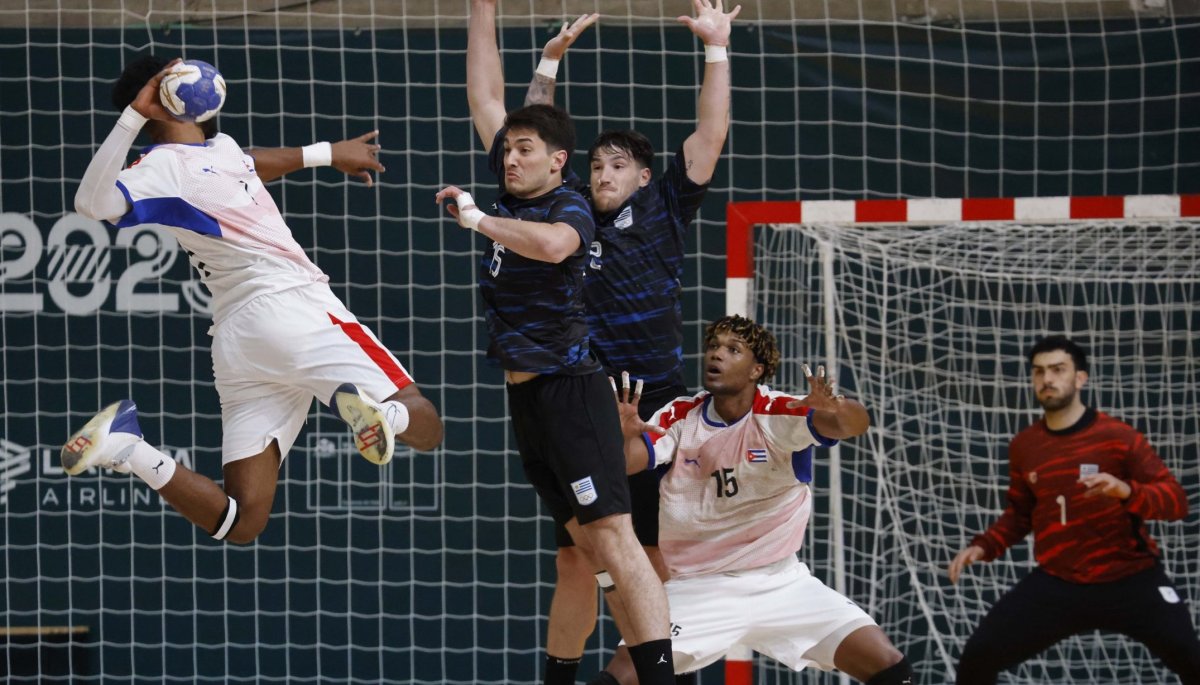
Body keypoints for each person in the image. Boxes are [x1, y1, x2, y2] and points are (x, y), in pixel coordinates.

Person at [64, 54, 443, 545]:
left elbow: (253, 162)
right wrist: (136, 114)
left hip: (239, 341)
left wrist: (328, 152)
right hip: (294, 306)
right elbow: (92, 205)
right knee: (426, 423)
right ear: (168, 100)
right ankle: (382, 415)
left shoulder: (219, 148)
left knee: (242, 522)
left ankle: (129, 448)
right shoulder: (160, 167)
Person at [432, 3, 677, 684]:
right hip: (528, 399)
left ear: (558, 161)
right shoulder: (514, 194)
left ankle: (665, 678)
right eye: (505, 150)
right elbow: (485, 94)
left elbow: (556, 247)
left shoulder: (564, 205)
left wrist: (478, 218)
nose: (508, 157)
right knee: (577, 555)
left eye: (523, 150)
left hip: (573, 392)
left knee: (614, 540)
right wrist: (482, 8)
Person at [518, 3, 737, 682]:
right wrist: (548, 63)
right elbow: (529, 139)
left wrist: (716, 49)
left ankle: (638, 673)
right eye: (597, 165)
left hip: (659, 403)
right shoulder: (571, 212)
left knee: (649, 554)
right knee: (575, 557)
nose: (603, 174)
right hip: (584, 399)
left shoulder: (667, 203)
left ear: (643, 175)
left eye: (617, 165)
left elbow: (710, 131)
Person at [615, 315, 912, 684]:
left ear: (756, 369)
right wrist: (624, 435)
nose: (716, 355)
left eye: (732, 350)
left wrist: (837, 407)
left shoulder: (780, 412)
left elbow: (851, 426)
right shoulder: (680, 415)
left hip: (781, 582)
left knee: (888, 664)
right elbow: (630, 462)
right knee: (623, 676)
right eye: (713, 347)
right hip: (698, 586)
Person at [947, 335, 1200, 683]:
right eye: (1038, 372)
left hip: (1129, 579)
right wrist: (984, 545)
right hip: (1059, 582)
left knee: (1193, 660)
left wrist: (1127, 491)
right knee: (977, 659)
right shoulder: (1025, 445)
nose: (1047, 379)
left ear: (1080, 378)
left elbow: (1176, 502)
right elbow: (1020, 513)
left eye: (1057, 369)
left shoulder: (1119, 437)